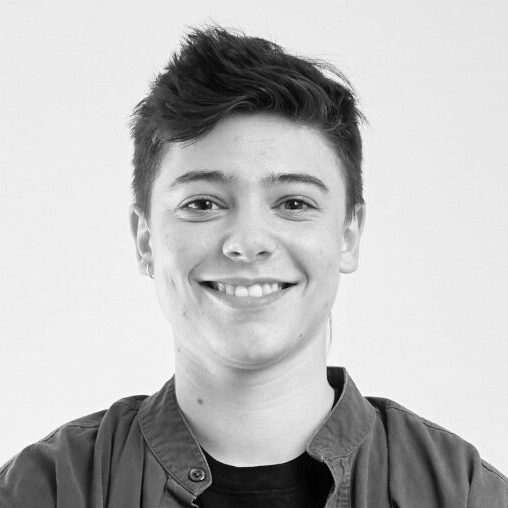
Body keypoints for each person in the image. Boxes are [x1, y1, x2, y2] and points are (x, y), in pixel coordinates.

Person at [0, 24, 506, 508]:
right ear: (145, 239)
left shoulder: (460, 492)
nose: (247, 242)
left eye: (293, 203)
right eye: (202, 204)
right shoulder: (47, 489)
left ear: (349, 235)